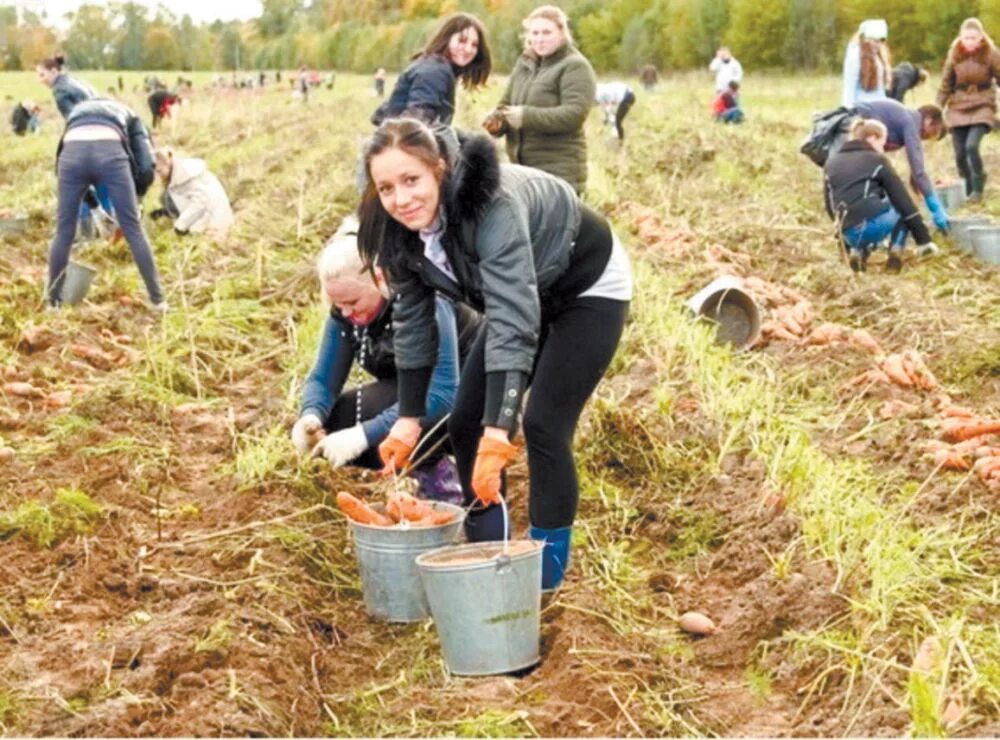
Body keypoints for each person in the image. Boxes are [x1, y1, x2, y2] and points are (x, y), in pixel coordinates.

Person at [359, 118, 633, 591]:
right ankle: (491, 558)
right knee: (465, 422)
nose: (401, 199)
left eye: (411, 181)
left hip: (584, 288)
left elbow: (511, 318)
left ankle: (544, 579)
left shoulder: (491, 205)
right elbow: (413, 324)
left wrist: (499, 430)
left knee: (544, 423)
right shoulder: (398, 229)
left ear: (439, 169)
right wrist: (407, 418)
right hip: (521, 295)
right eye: (386, 188)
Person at [291, 216, 480, 502]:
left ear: (379, 278)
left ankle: (447, 479)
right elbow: (323, 378)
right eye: (337, 304)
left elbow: (444, 394)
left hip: (472, 392)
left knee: (379, 426)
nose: (345, 312)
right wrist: (310, 415)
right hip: (415, 389)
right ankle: (428, 468)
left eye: (353, 302)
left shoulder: (424, 300)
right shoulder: (346, 313)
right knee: (336, 420)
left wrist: (364, 435)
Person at [48, 98, 165, 310]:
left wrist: (94, 208)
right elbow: (147, 167)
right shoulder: (132, 116)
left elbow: (66, 163)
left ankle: (53, 303)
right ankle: (158, 301)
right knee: (134, 231)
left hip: (71, 155)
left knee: (63, 233)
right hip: (109, 154)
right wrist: (136, 202)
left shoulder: (77, 112)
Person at [486, 6, 596, 194]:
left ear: (562, 33)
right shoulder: (524, 64)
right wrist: (498, 122)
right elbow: (506, 104)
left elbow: (574, 114)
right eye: (535, 32)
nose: (539, 38)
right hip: (523, 172)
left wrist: (525, 117)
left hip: (559, 172)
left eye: (547, 32)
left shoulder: (575, 66)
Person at [824, 119, 939, 274]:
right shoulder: (877, 160)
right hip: (871, 227)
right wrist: (924, 240)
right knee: (900, 205)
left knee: (862, 205)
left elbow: (829, 203)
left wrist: (841, 235)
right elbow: (903, 201)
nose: (883, 149)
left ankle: (857, 252)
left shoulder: (831, 162)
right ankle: (895, 254)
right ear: (872, 138)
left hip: (847, 233)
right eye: (882, 143)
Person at [36, 55, 113, 239]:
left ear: (54, 71)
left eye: (42, 75)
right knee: (101, 181)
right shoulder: (75, 81)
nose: (40, 80)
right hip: (107, 133)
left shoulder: (60, 90)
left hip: (90, 136)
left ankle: (87, 236)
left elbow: (77, 120)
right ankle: (110, 232)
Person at [372, 13, 491, 127]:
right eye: (462, 41)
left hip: (401, 135)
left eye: (474, 45)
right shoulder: (434, 72)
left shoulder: (433, 64)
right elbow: (416, 123)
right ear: (447, 39)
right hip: (404, 142)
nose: (468, 49)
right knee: (479, 145)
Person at [850, 99, 950, 232]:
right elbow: (918, 170)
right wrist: (935, 206)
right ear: (929, 119)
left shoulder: (906, 117)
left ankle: (865, 228)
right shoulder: (911, 121)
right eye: (933, 132)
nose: (927, 137)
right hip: (855, 122)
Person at [937, 18, 1000, 203]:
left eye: (973, 38)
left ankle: (978, 188)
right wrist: (936, 108)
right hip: (958, 106)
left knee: (971, 146)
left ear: (981, 37)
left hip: (983, 104)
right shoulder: (954, 55)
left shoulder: (992, 54)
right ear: (960, 38)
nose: (969, 41)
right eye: (966, 38)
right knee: (959, 154)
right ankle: (968, 186)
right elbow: (945, 85)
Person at [150, 148, 234, 239]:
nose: (157, 175)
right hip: (206, 211)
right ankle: (169, 214)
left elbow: (201, 202)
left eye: (159, 171)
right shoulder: (177, 173)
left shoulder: (186, 177)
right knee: (164, 197)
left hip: (214, 217)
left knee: (167, 197)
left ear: (167, 163)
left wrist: (182, 225)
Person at [843, 19, 890, 108]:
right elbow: (849, 86)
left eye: (881, 41)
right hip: (862, 108)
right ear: (866, 39)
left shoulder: (879, 56)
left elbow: (880, 88)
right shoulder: (855, 55)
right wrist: (848, 110)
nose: (878, 45)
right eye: (875, 41)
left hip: (880, 107)